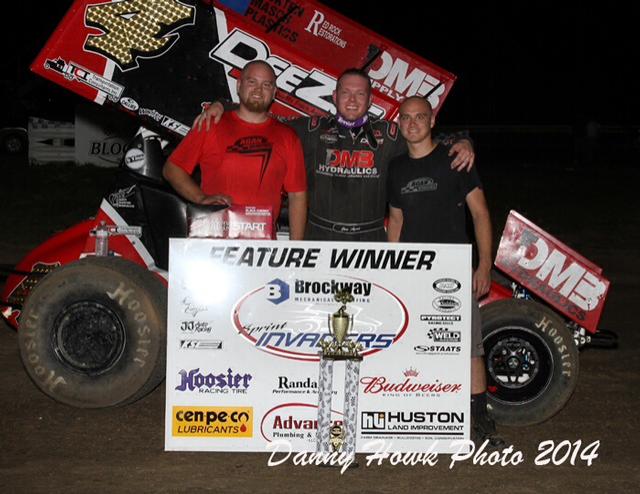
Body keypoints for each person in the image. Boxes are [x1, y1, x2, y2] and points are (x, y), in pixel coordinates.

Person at [195, 67, 474, 241]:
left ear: (370, 100)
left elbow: (426, 138)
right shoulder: (311, 129)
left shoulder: (389, 134)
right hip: (318, 237)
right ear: (334, 96)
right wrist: (223, 105)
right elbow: (262, 119)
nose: (352, 100)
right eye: (346, 93)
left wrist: (463, 140)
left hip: (370, 240)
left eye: (360, 94)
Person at [387, 96, 504, 447]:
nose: (413, 124)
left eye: (420, 117)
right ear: (399, 123)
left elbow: (480, 213)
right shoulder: (396, 168)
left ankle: (480, 421)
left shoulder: (456, 159)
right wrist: (391, 270)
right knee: (412, 341)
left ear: (432, 120)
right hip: (411, 270)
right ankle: (416, 415)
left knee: (469, 347)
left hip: (452, 268)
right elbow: (396, 220)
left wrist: (484, 265)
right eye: (406, 118)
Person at [163, 60, 307, 240]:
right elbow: (172, 169)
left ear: (274, 92)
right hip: (212, 239)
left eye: (266, 85)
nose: (258, 89)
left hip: (262, 246)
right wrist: (201, 198)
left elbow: (297, 195)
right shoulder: (211, 124)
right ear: (239, 85)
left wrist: (295, 249)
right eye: (252, 82)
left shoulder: (288, 137)